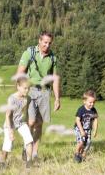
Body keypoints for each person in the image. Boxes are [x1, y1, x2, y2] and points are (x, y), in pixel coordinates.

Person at [16, 31, 61, 165]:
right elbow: (20, 73)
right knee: (30, 122)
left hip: (45, 92)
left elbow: (55, 79)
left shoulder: (53, 58)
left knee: (39, 124)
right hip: (30, 90)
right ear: (39, 41)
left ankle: (34, 153)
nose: (47, 45)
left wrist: (57, 98)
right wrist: (19, 93)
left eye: (49, 43)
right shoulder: (29, 53)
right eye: (45, 42)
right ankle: (27, 146)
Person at [0, 75, 34, 167]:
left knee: (29, 140)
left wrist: (28, 125)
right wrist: (10, 131)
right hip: (9, 123)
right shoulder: (12, 98)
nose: (27, 90)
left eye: (28, 88)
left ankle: (29, 163)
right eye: (25, 88)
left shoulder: (28, 98)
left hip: (21, 123)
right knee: (8, 144)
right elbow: (7, 115)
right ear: (18, 87)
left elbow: (26, 112)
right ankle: (2, 162)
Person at [72, 90, 99, 163]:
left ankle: (83, 155)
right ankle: (76, 153)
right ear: (84, 101)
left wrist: (95, 130)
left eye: (94, 102)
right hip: (79, 128)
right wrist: (81, 131)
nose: (92, 104)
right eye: (90, 102)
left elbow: (95, 120)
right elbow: (77, 120)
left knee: (88, 143)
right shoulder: (81, 109)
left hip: (88, 129)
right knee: (81, 142)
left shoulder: (93, 110)